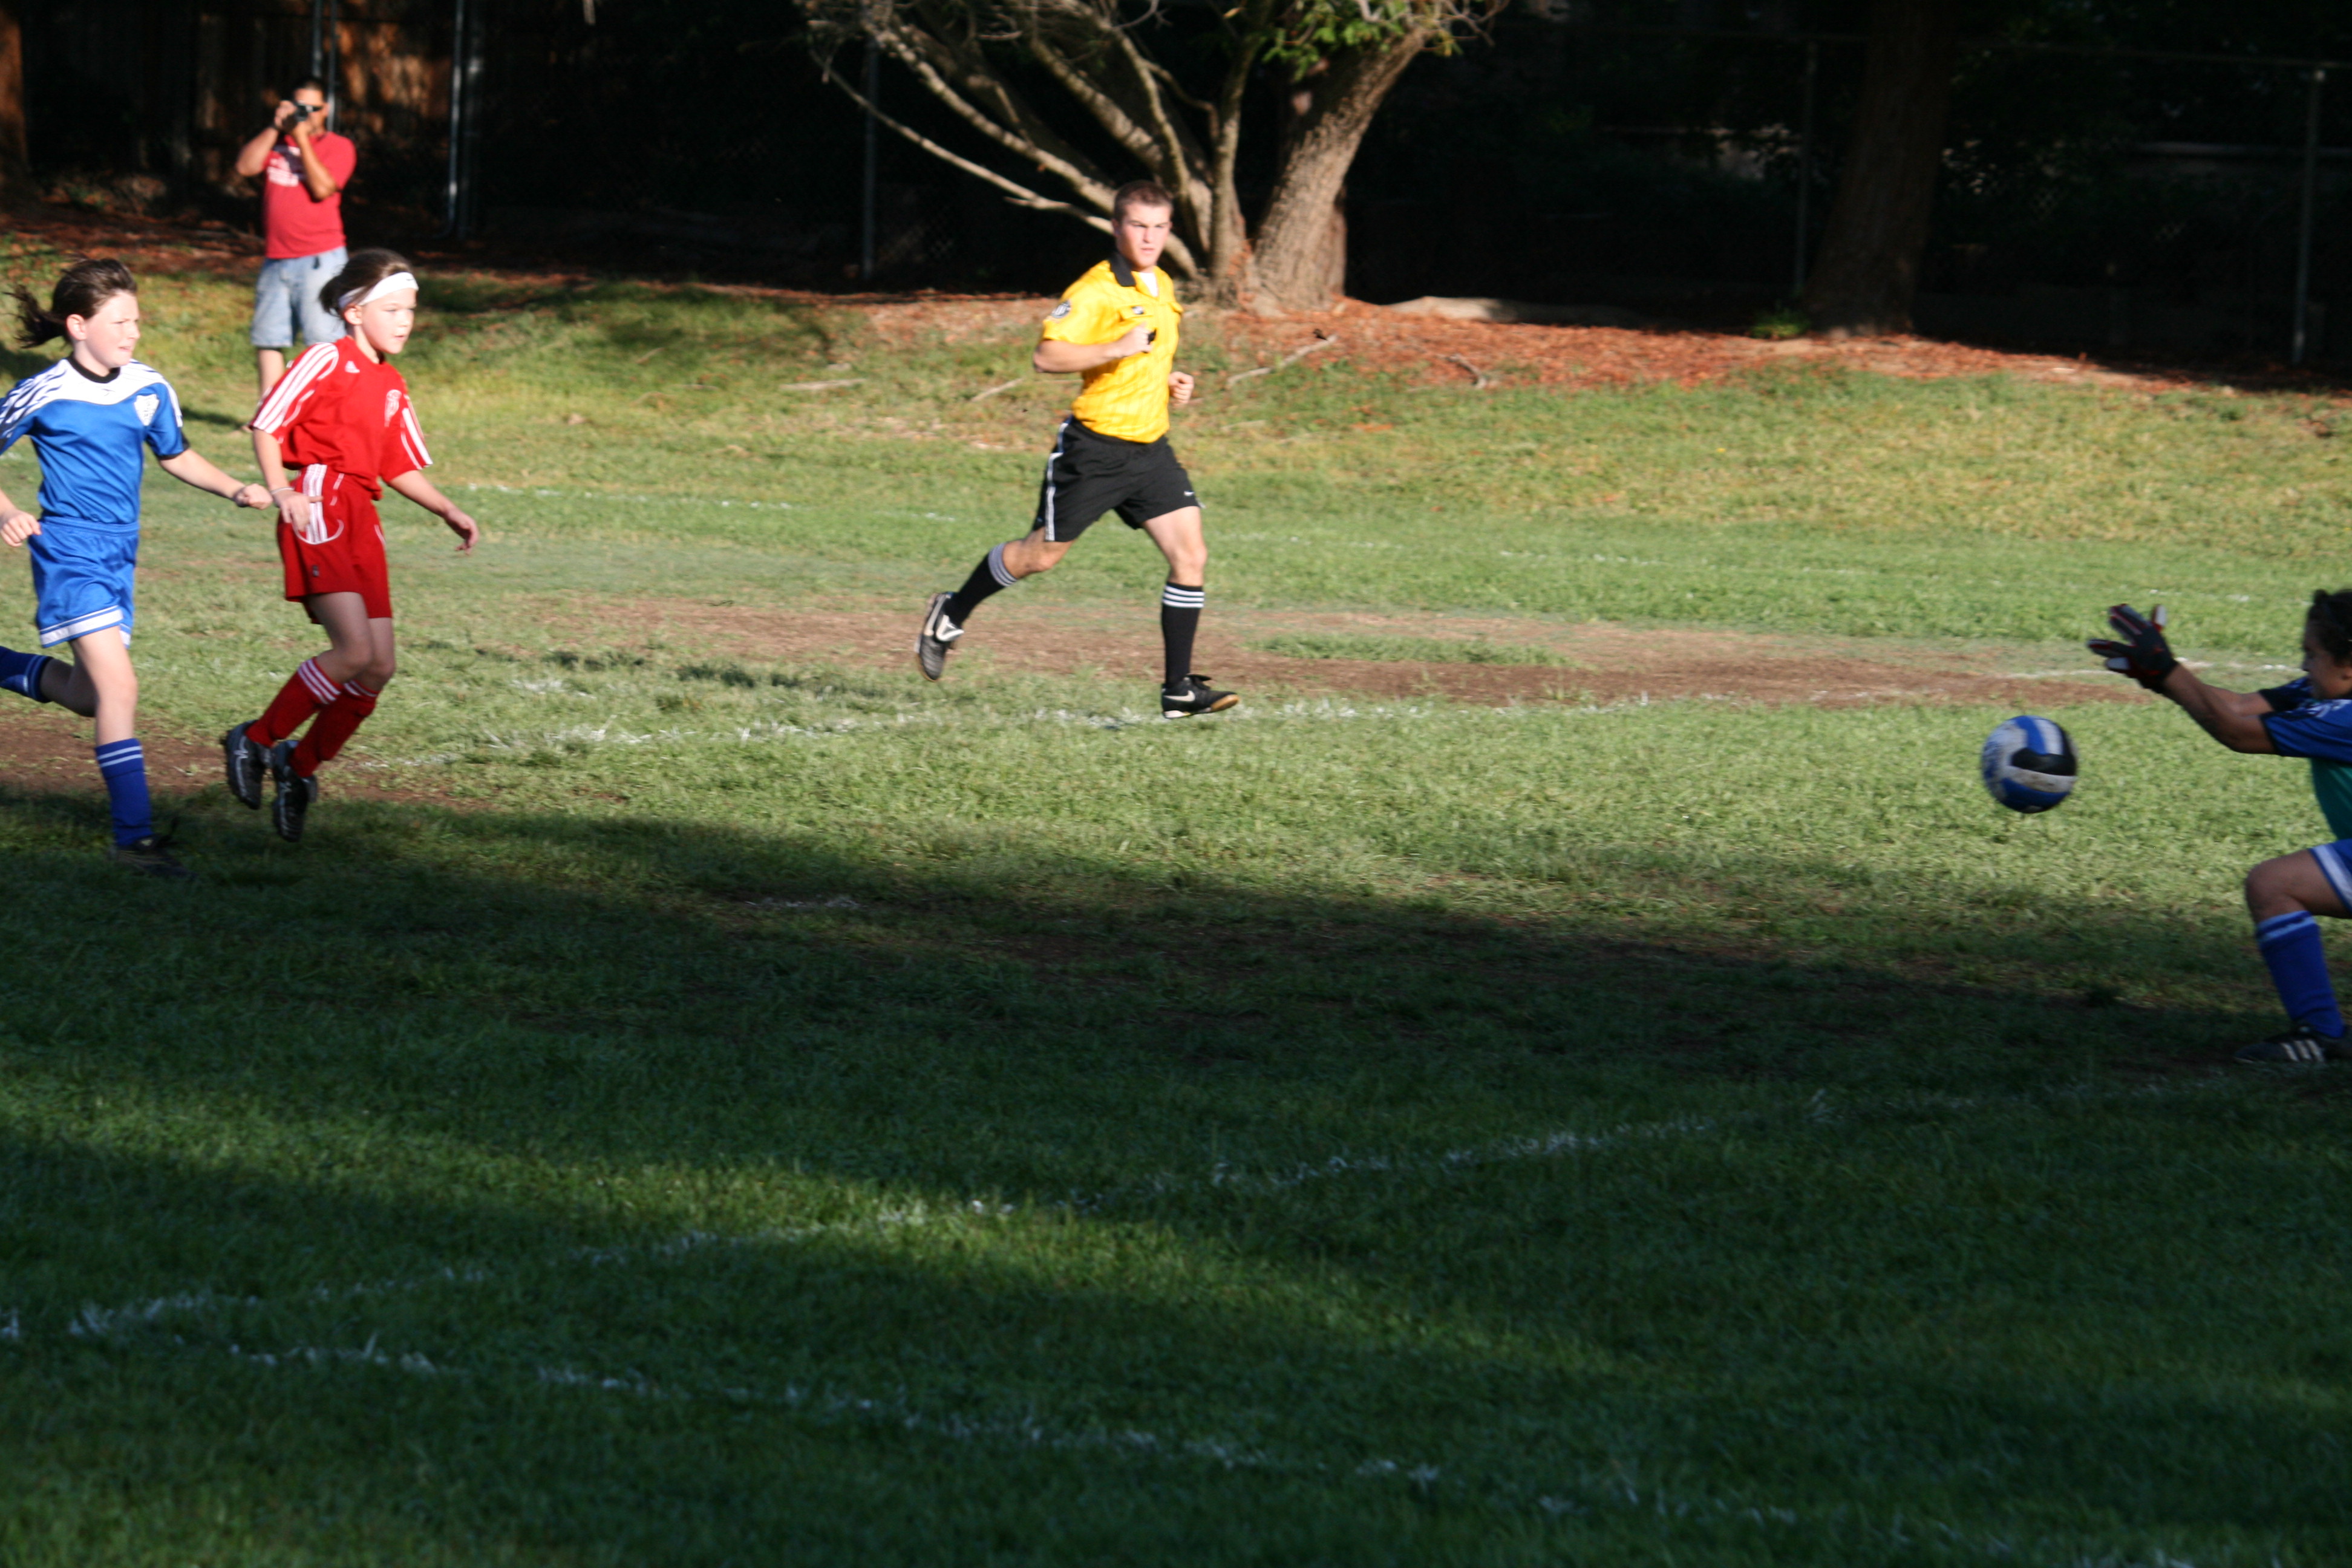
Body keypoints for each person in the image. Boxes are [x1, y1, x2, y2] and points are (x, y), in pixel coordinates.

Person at [915, 180, 1237, 720]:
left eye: (1159, 227)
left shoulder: (1161, 284)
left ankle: (1178, 689)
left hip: (1150, 450)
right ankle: (951, 611)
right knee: (1038, 557)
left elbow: (1141, 361)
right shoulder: (1095, 290)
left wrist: (1170, 384)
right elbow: (1047, 356)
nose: (1150, 237)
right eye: (1139, 225)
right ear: (1117, 227)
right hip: (1096, 451)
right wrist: (1116, 345)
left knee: (1191, 556)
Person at [0, 258, 275, 876]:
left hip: (121, 554)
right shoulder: (46, 390)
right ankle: (134, 842)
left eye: (137, 321)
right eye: (119, 322)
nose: (133, 333)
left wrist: (235, 488)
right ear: (78, 326)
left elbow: (176, 455)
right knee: (121, 689)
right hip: (69, 552)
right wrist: (8, 512)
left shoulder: (148, 386)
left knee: (88, 696)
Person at [221, 249, 481, 843]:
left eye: (410, 310)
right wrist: (281, 490)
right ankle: (255, 739)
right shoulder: (323, 359)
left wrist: (447, 509)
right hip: (320, 503)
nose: (405, 321)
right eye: (393, 309)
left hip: (363, 515)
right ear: (354, 312)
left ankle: (299, 766)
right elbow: (268, 424)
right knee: (353, 650)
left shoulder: (392, 383)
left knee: (379, 666)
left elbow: (398, 464)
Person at [2091, 596, 2352, 1063]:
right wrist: (2164, 677)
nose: (2303, 664)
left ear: (2348, 667)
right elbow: (2239, 706)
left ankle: (2320, 1033)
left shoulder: (2344, 718)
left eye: (2312, 654)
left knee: (2274, 885)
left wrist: (2168, 670)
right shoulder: (2327, 696)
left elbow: (2236, 731)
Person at [233, 77, 357, 397]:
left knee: (324, 343)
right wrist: (275, 127)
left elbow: (323, 189)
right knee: (268, 339)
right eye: (299, 107)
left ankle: (326, 413)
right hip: (276, 257)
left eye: (312, 109)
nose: (306, 115)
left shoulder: (339, 146)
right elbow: (245, 167)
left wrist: (301, 139)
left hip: (320, 258)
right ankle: (269, 414)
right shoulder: (277, 142)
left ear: (326, 110)